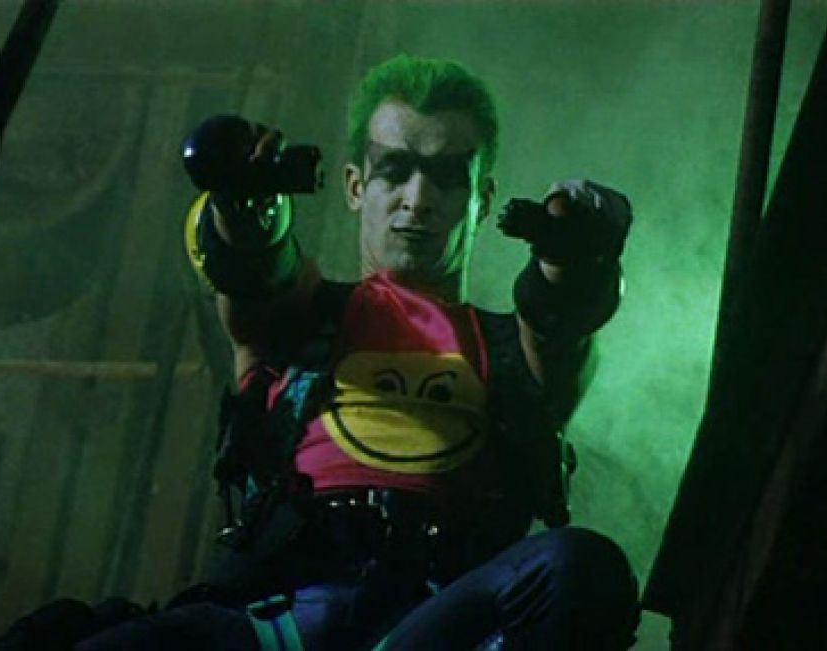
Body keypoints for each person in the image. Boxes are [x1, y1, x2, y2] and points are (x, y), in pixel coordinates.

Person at [80, 53, 639, 650]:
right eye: (394, 170)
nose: (418, 199)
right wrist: (244, 206)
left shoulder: (511, 347)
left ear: (483, 198)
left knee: (579, 567)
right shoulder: (307, 314)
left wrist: (574, 257)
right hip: (283, 618)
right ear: (354, 186)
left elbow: (560, 323)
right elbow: (255, 275)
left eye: (448, 177)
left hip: (441, 619)